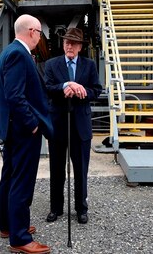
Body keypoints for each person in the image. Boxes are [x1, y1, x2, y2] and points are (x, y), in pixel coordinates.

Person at [0, 14, 53, 254]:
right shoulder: (19, 54)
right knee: (22, 180)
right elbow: (15, 95)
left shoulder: (9, 51)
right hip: (22, 129)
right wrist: (33, 124)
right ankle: (19, 237)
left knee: (9, 176)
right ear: (31, 31)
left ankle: (8, 225)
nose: (40, 37)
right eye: (39, 32)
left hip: (11, 128)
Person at [44, 27, 102, 224]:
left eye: (74, 43)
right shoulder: (52, 64)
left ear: (80, 47)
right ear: (63, 44)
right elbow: (48, 88)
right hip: (58, 123)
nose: (69, 46)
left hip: (80, 125)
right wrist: (65, 86)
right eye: (67, 42)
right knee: (57, 168)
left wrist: (81, 90)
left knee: (80, 169)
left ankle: (81, 209)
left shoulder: (90, 65)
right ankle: (56, 208)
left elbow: (97, 90)